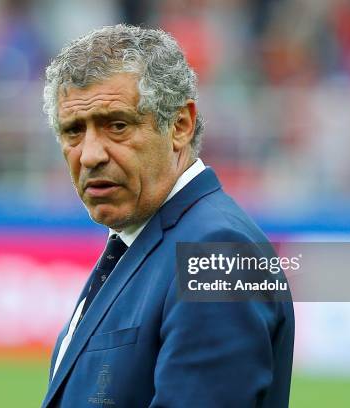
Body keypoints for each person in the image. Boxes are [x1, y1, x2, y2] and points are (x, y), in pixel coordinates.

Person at [41, 24, 294, 407]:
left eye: (118, 125)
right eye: (73, 131)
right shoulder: (144, 239)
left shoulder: (216, 253)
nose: (90, 154)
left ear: (180, 126)